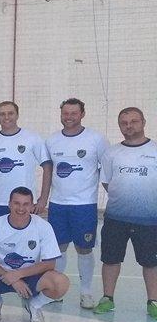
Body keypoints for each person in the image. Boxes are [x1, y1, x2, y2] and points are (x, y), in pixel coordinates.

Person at [0, 187, 70, 322]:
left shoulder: (43, 226)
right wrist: (11, 277)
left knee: (61, 283)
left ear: (32, 206)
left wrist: (18, 275)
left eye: (26, 204)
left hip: (31, 275)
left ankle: (34, 305)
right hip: (1, 274)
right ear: (9, 204)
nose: (21, 208)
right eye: (16, 203)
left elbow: (49, 264)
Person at [44, 98, 109, 309]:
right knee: (58, 249)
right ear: (61, 114)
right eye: (65, 113)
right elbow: (48, 172)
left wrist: (113, 196)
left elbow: (107, 170)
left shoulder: (96, 139)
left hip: (85, 205)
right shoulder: (52, 140)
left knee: (84, 249)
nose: (69, 117)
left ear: (82, 114)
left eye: (73, 113)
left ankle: (86, 292)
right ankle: (56, 290)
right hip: (58, 205)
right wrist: (43, 199)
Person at [94, 107, 157, 318]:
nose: (129, 126)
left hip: (150, 220)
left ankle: (153, 302)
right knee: (110, 259)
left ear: (143, 122)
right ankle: (107, 298)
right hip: (116, 218)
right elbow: (107, 182)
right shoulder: (111, 153)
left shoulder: (155, 150)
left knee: (151, 262)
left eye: (133, 121)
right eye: (124, 122)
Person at [0, 101, 51, 221]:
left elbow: (47, 167)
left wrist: (43, 199)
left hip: (25, 203)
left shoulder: (32, 138)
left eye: (10, 113)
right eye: (2, 114)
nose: (6, 117)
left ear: (17, 115)